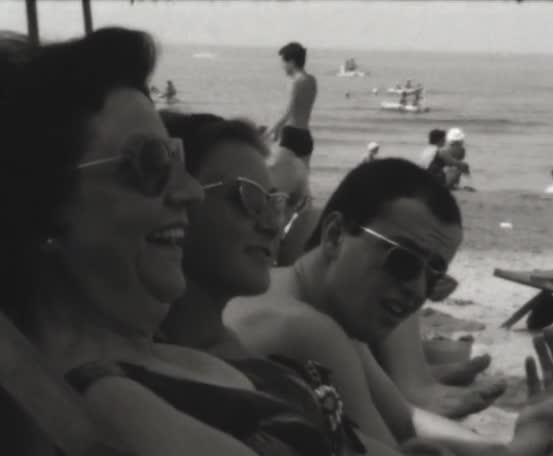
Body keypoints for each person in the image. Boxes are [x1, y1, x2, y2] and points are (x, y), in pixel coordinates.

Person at [0, 27, 312, 456]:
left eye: (177, 158)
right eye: (151, 163)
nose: (191, 192)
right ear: (44, 209)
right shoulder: (111, 404)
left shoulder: (145, 360)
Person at [225, 158, 553, 455]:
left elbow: (405, 420)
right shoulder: (302, 329)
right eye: (402, 261)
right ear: (335, 234)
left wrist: (521, 437)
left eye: (433, 274)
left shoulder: (321, 312)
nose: (416, 290)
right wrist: (531, 440)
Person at [160, 112, 370, 456]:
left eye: (275, 203)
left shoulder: (239, 354)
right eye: (246, 198)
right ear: (175, 200)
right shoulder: (170, 385)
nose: (273, 226)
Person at [265, 42, 318, 223]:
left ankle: (279, 223)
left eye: (283, 62)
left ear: (292, 62)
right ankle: (304, 221)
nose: (282, 66)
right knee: (303, 187)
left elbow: (286, 113)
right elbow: (302, 109)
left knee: (275, 183)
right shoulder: (311, 80)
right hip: (305, 137)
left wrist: (267, 134)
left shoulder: (295, 82)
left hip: (291, 136)